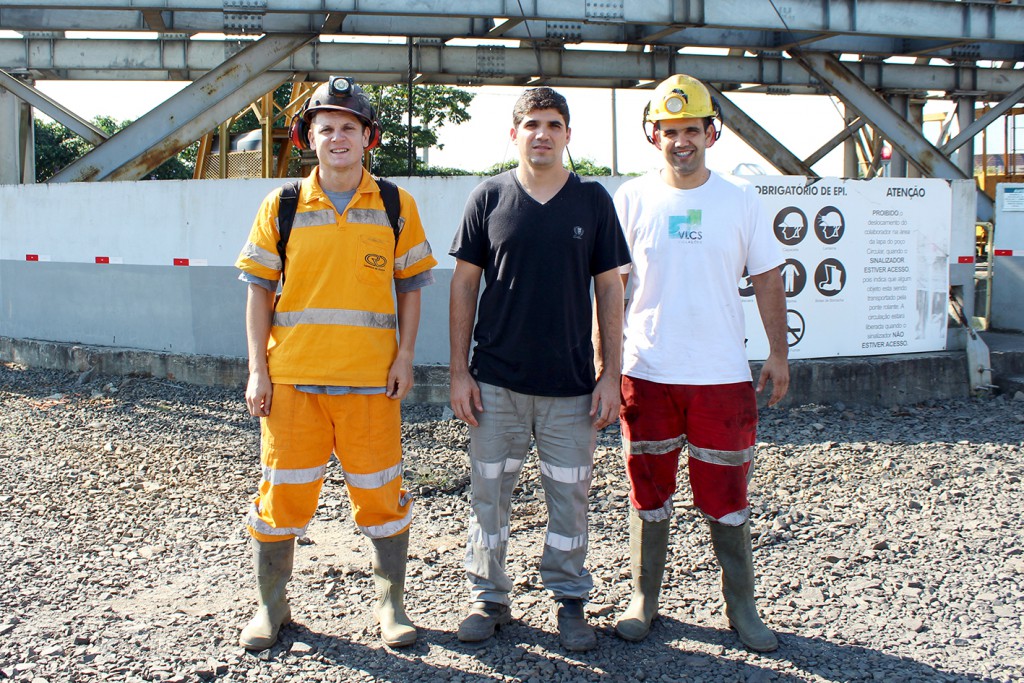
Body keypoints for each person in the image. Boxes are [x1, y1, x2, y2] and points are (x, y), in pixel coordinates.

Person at [233, 76, 437, 651]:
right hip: (293, 381)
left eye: (349, 127)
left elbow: (412, 288)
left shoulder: (396, 204)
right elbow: (257, 291)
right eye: (327, 128)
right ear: (308, 138)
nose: (338, 137)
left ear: (368, 137)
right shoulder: (284, 205)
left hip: (372, 383)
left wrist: (405, 358)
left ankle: (390, 607)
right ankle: (271, 608)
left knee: (381, 495)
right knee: (281, 497)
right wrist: (257, 370)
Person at [448, 87, 630, 652]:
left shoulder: (593, 201)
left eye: (554, 123)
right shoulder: (489, 198)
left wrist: (609, 375)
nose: (543, 133)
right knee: (489, 496)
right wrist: (459, 372)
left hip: (571, 388)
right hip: (495, 385)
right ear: (514, 133)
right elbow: (463, 287)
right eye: (532, 123)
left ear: (568, 134)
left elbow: (609, 289)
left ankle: (570, 597)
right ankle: (488, 596)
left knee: (570, 497)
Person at [611, 74, 789, 652]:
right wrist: (603, 366)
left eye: (692, 129)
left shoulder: (740, 200)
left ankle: (742, 609)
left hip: (721, 378)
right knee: (648, 488)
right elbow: (610, 290)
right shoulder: (631, 199)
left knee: (727, 493)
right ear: (653, 135)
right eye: (670, 130)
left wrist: (779, 355)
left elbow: (766, 279)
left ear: (711, 133)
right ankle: (644, 599)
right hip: (647, 372)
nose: (681, 140)